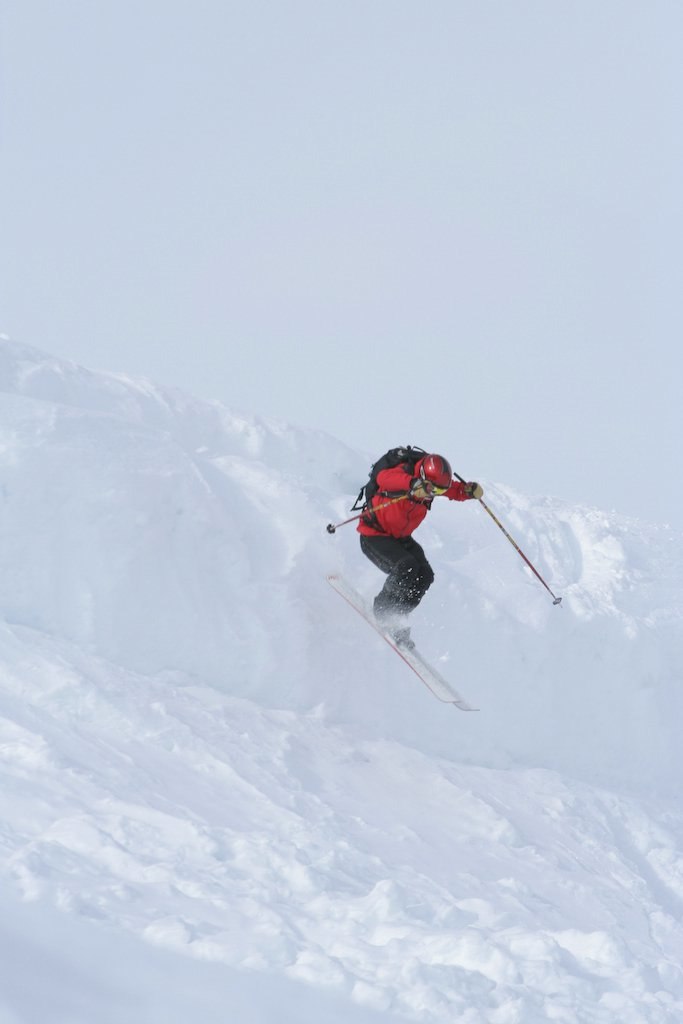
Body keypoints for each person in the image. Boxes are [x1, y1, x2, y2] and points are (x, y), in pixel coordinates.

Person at [357, 452, 482, 647]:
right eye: (434, 490)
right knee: (406, 567)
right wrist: (413, 484)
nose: (435, 494)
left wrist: (467, 492)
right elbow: (384, 478)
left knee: (425, 575)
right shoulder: (404, 473)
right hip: (374, 534)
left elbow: (451, 490)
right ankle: (382, 612)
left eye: (439, 491)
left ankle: (396, 618)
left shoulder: (432, 486)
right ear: (423, 476)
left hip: (400, 538)